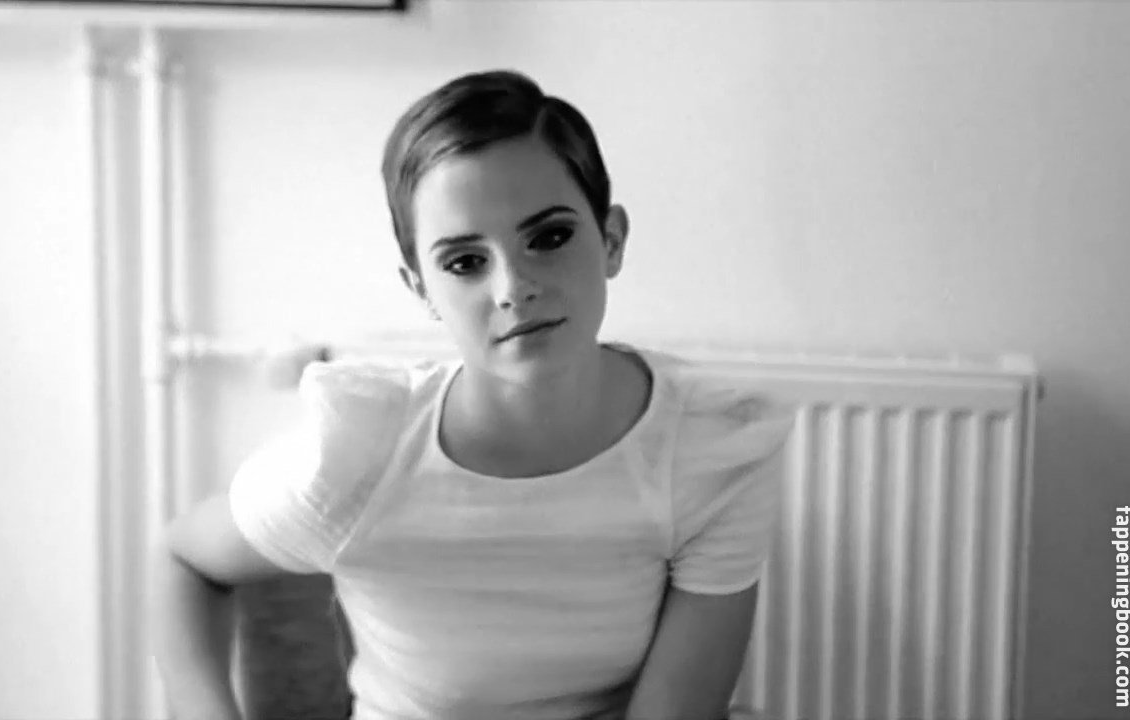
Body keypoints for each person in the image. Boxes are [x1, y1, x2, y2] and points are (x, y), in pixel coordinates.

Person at [152, 69, 794, 720]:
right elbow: (184, 559)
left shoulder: (711, 445)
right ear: (422, 289)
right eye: (464, 263)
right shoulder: (359, 453)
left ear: (611, 239)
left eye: (548, 237)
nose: (513, 288)